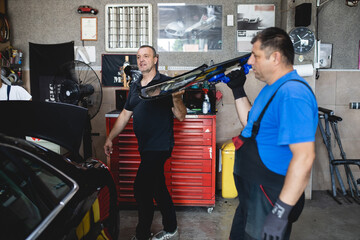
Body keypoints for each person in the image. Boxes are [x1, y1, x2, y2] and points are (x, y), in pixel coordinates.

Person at [225, 27, 318, 240]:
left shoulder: (293, 94)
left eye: (255, 56)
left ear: (275, 57)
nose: (249, 62)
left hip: (269, 196)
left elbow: (305, 157)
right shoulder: (273, 88)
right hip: (253, 192)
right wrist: (238, 89)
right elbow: (252, 126)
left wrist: (281, 211)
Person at [104, 45, 186, 240]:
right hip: (146, 146)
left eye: (146, 56)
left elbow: (181, 116)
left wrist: (176, 98)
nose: (141, 60)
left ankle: (142, 235)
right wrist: (110, 137)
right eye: (139, 57)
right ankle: (172, 228)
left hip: (159, 146)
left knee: (141, 188)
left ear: (155, 59)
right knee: (158, 187)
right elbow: (125, 114)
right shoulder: (136, 85)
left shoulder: (167, 84)